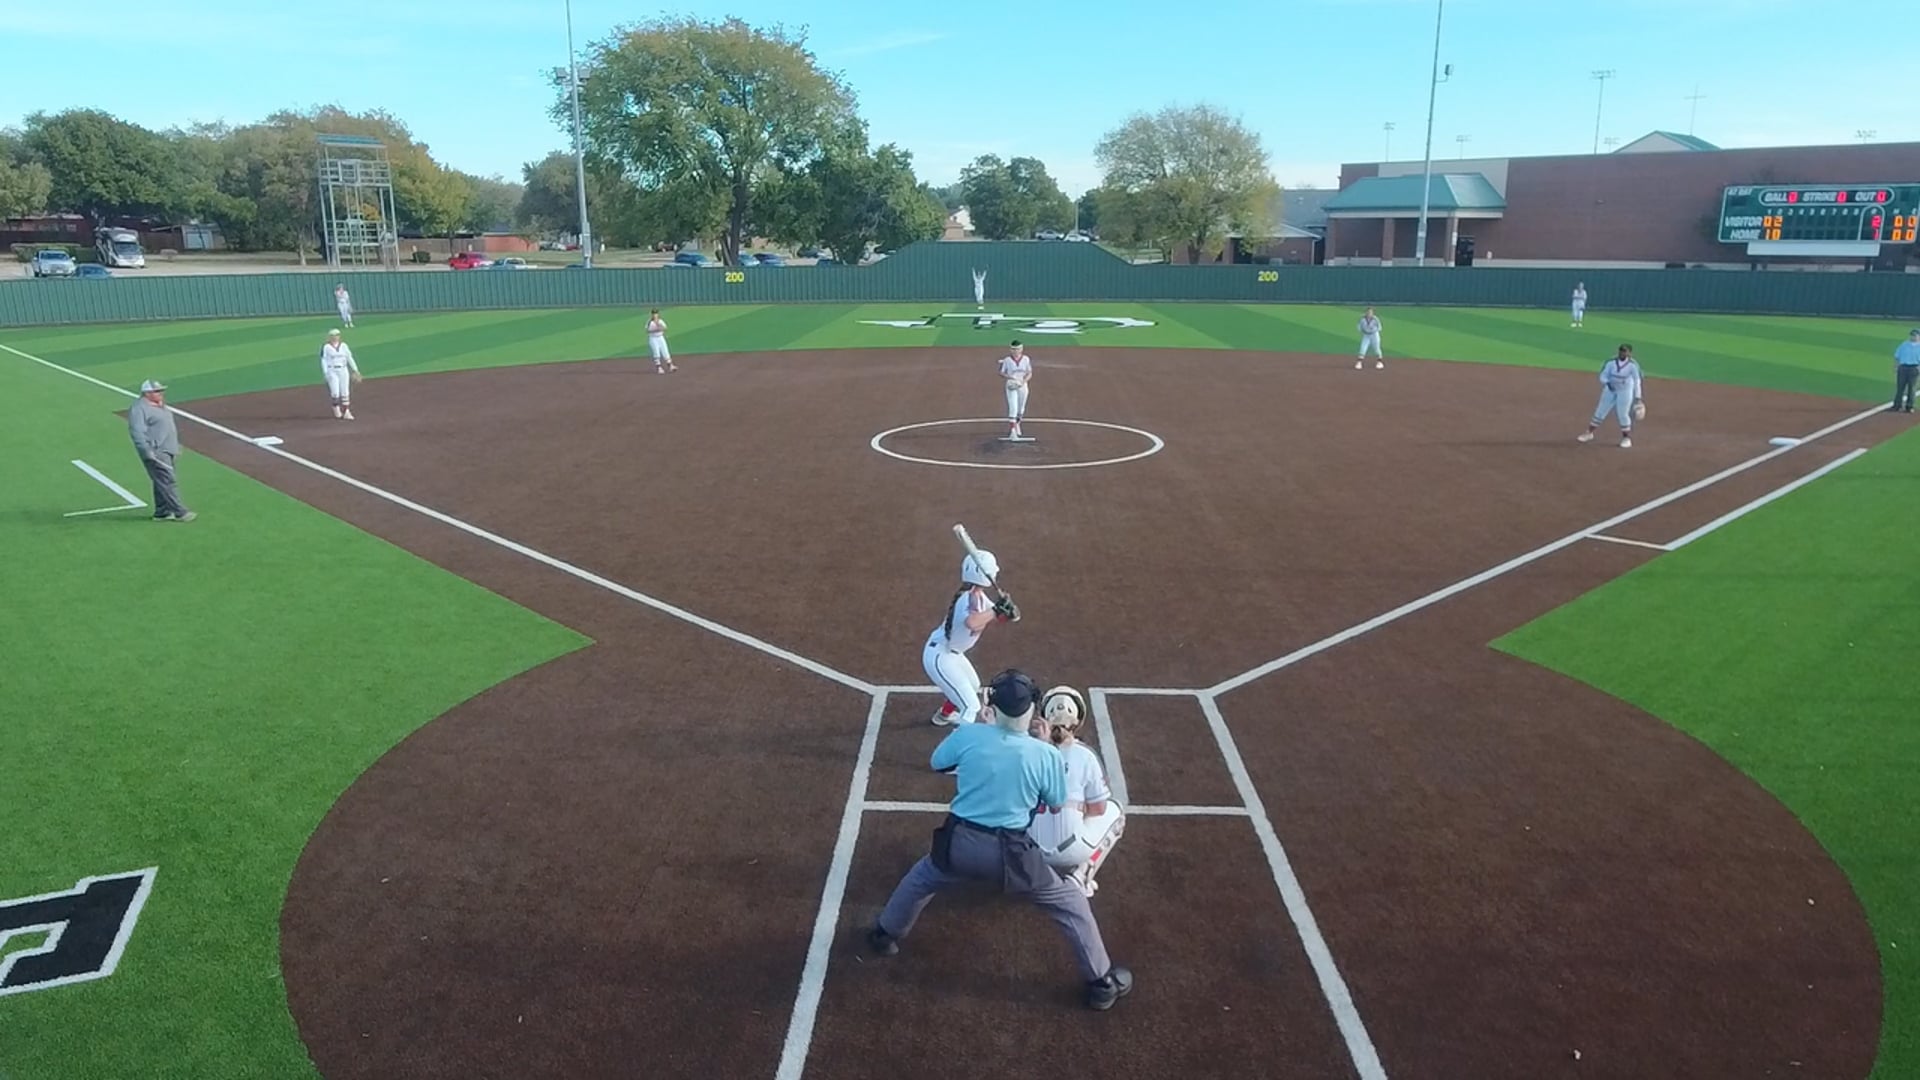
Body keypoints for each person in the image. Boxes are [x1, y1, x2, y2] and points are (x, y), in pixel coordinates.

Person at [866, 669, 1135, 1011]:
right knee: (1070, 903)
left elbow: (938, 763)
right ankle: (1101, 984)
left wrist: (979, 727)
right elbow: (1055, 802)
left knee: (922, 877)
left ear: (992, 707)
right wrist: (1041, 747)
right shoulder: (1045, 754)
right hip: (1013, 855)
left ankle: (884, 935)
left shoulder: (970, 734)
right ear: (1032, 710)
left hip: (959, 843)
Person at [1026, 686, 1125, 899]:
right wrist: (1075, 808)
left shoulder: (1027, 750)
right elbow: (1099, 809)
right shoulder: (1085, 755)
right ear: (1077, 721)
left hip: (1027, 848)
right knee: (1116, 813)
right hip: (1071, 849)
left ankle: (1021, 870)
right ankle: (1080, 876)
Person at [922, 549, 1016, 726]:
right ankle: (958, 743)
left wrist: (1008, 611)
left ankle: (944, 714)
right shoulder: (966, 597)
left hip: (953, 654)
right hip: (940, 655)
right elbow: (972, 622)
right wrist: (996, 610)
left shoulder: (979, 596)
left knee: (973, 686)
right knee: (971, 707)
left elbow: (995, 617)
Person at [127, 380, 195, 522]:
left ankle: (162, 512)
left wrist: (175, 445)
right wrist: (146, 451)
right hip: (155, 450)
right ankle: (180, 512)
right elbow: (137, 432)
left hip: (168, 448)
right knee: (168, 480)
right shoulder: (139, 409)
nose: (161, 393)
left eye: (161, 390)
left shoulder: (160, 405)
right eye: (157, 391)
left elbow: (167, 427)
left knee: (161, 481)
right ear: (147, 393)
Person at [1578, 344, 1644, 448]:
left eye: (1625, 351)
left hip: (1625, 391)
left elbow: (1637, 381)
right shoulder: (1610, 362)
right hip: (1610, 389)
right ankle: (1589, 433)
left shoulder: (1633, 365)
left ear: (1629, 353)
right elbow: (1603, 375)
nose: (1622, 353)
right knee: (1600, 411)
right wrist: (1607, 383)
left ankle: (1626, 438)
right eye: (1621, 351)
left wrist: (1638, 398)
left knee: (1622, 414)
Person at [320, 329, 361, 420]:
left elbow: (349, 357)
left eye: (337, 335)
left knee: (345, 391)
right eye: (333, 335)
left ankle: (346, 411)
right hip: (332, 370)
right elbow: (323, 360)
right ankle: (336, 408)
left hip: (343, 370)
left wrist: (355, 370)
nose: (335, 337)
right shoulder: (326, 347)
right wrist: (325, 372)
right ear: (330, 337)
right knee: (335, 392)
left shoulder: (344, 346)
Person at [999, 340, 1032, 438]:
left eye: (1017, 349)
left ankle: (1017, 424)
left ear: (1021, 349)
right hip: (1011, 385)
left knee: (1021, 408)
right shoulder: (1007, 360)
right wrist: (1010, 377)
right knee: (1013, 406)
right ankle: (1012, 430)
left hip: (1022, 385)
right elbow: (1002, 372)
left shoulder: (1026, 359)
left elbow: (1029, 373)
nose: (1015, 351)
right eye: (1013, 349)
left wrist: (1023, 381)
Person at [1891, 328, 1920, 413]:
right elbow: (1897, 356)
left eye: (1915, 335)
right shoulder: (1904, 345)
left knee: (1912, 388)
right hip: (1903, 368)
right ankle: (1897, 405)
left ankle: (1909, 406)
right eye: (1912, 335)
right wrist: (1896, 366)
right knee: (1900, 387)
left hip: (1914, 368)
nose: (1913, 337)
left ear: (1919, 336)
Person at [647, 309, 677, 374]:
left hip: (660, 337)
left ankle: (670, 366)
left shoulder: (660, 321)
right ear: (652, 314)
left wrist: (658, 327)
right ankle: (659, 368)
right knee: (656, 353)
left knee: (665, 351)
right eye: (654, 314)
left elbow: (665, 328)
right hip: (653, 339)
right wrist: (658, 329)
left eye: (656, 313)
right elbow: (648, 330)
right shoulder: (650, 322)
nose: (655, 315)